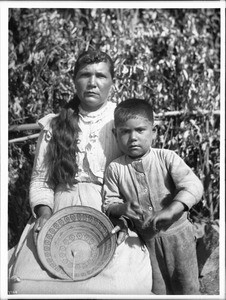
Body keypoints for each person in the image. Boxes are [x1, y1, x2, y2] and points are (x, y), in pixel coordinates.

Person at [8, 51, 153, 295]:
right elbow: (40, 181)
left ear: (112, 82)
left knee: (123, 285)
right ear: (74, 80)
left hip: (108, 210)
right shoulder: (55, 124)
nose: (93, 82)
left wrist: (123, 214)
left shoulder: (122, 123)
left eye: (101, 76)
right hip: (59, 209)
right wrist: (45, 213)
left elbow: (137, 173)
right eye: (85, 75)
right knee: (24, 284)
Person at [103, 98, 204, 295]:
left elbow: (193, 185)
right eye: (125, 131)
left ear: (153, 132)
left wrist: (173, 209)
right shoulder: (115, 169)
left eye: (140, 130)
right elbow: (109, 202)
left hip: (179, 236)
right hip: (146, 241)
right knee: (158, 290)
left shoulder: (166, 158)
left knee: (188, 287)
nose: (133, 137)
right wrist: (122, 208)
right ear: (116, 135)